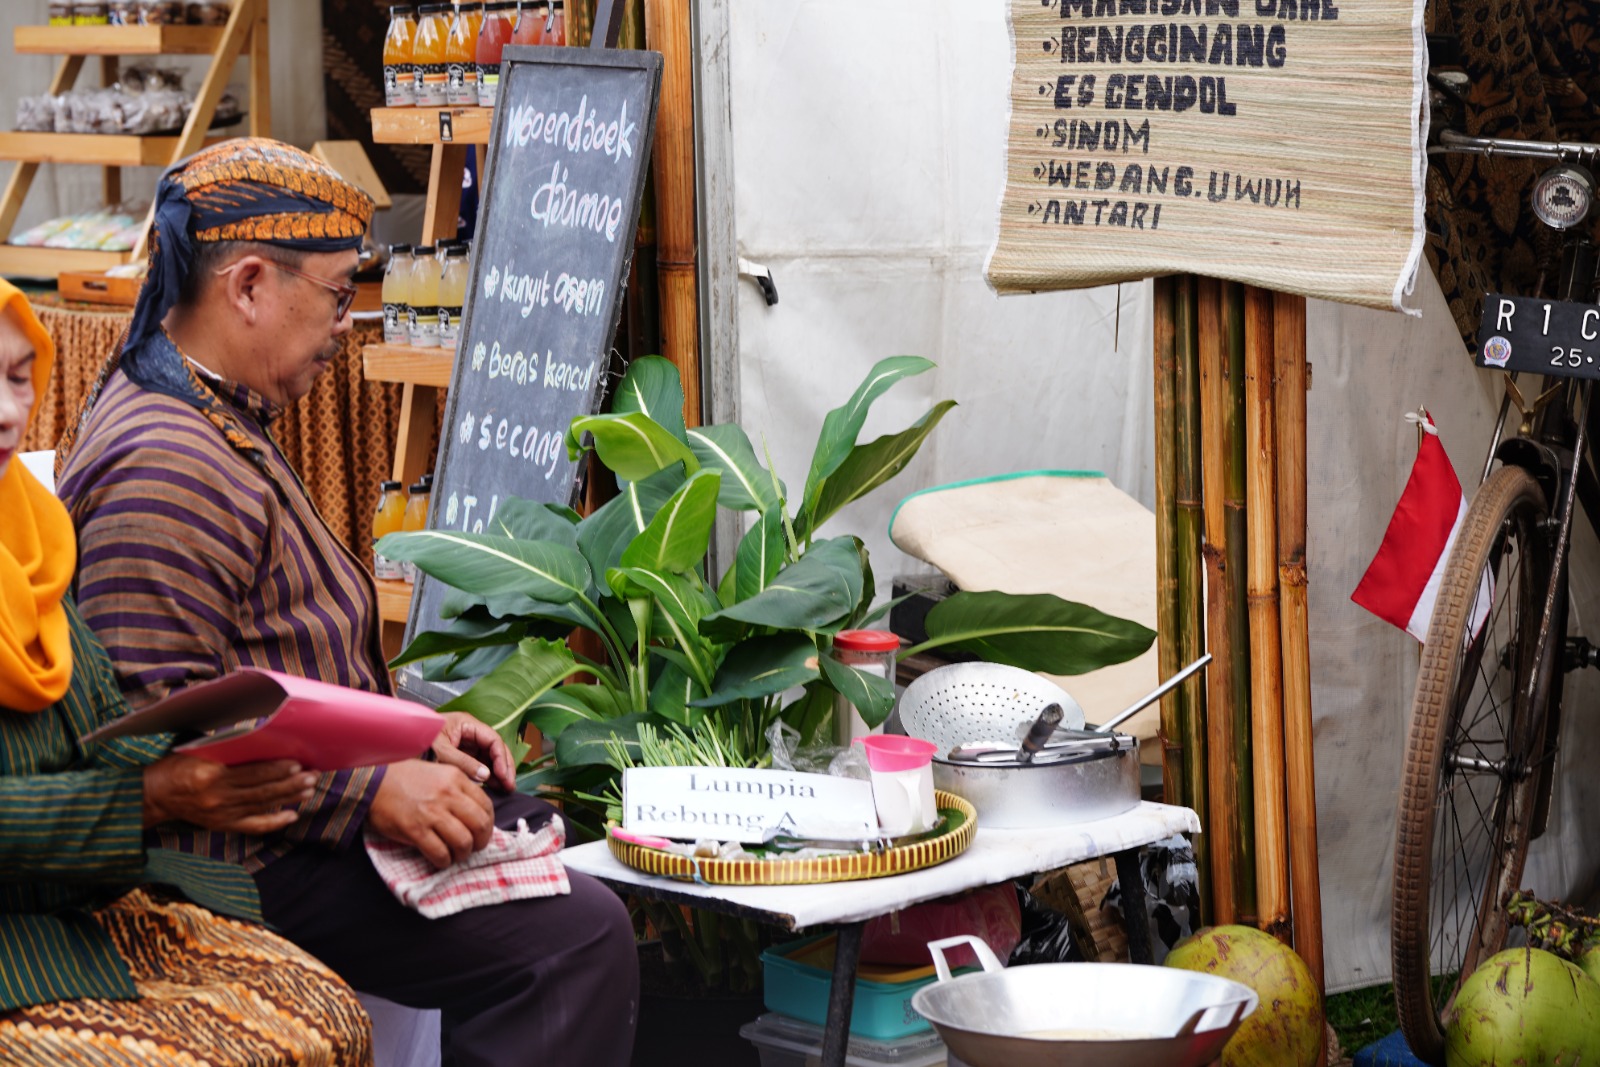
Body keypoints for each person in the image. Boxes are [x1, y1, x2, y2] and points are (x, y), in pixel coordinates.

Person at [58, 139, 639, 1067]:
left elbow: (273, 662)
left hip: (291, 820)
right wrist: (370, 790)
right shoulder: (165, 460)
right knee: (572, 940)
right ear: (248, 285)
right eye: (336, 295)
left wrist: (414, 734)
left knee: (526, 823)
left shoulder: (210, 407)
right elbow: (154, 732)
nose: (345, 324)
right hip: (228, 866)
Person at [0, 278, 373, 1066]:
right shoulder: (165, 455)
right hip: (22, 943)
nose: (7, 410)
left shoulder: (28, 536)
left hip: (82, 902)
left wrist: (269, 745)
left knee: (327, 1018)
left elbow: (99, 716)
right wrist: (151, 794)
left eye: (15, 375)